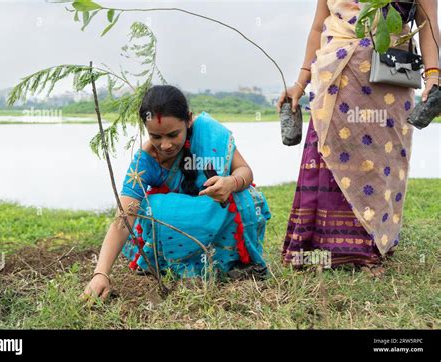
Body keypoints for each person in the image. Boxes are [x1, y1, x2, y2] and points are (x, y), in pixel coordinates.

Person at [277, 0, 439, 274]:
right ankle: (317, 250)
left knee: (378, 163)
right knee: (328, 155)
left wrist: (434, 76)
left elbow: (428, 24)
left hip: (387, 78)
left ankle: (368, 249)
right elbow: (318, 26)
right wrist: (300, 83)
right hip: (333, 76)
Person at [81, 85, 271, 301]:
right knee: (152, 210)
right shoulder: (146, 161)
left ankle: (236, 263)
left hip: (215, 211)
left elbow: (245, 171)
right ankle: (179, 267)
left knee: (247, 199)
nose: (165, 145)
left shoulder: (208, 133)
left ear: (188, 120)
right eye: (156, 136)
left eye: (173, 135)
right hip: (179, 223)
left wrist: (231, 182)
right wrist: (101, 273)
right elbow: (124, 215)